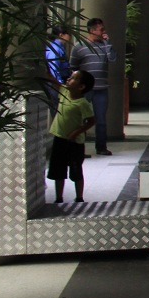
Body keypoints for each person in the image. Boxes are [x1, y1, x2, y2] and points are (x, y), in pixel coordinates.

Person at [70, 17, 118, 156]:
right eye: (101, 29)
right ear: (92, 30)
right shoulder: (79, 46)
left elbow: (113, 59)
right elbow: (73, 66)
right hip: (85, 90)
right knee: (81, 119)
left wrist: (108, 43)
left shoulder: (104, 45)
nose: (104, 31)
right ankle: (79, 148)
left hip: (101, 88)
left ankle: (101, 147)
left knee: (101, 120)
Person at [47, 69, 95, 204]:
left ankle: (79, 197)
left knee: (76, 170)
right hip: (59, 138)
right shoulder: (64, 91)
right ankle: (59, 197)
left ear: (81, 87)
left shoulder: (83, 103)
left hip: (74, 143)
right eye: (70, 77)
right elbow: (52, 80)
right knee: (58, 170)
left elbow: (91, 121)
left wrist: (76, 132)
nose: (68, 79)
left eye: (73, 78)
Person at [44, 26, 72, 109]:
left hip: (60, 81)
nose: (69, 36)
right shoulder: (55, 48)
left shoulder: (59, 47)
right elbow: (53, 68)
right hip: (55, 83)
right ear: (61, 35)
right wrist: (59, 85)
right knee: (57, 110)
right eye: (68, 34)